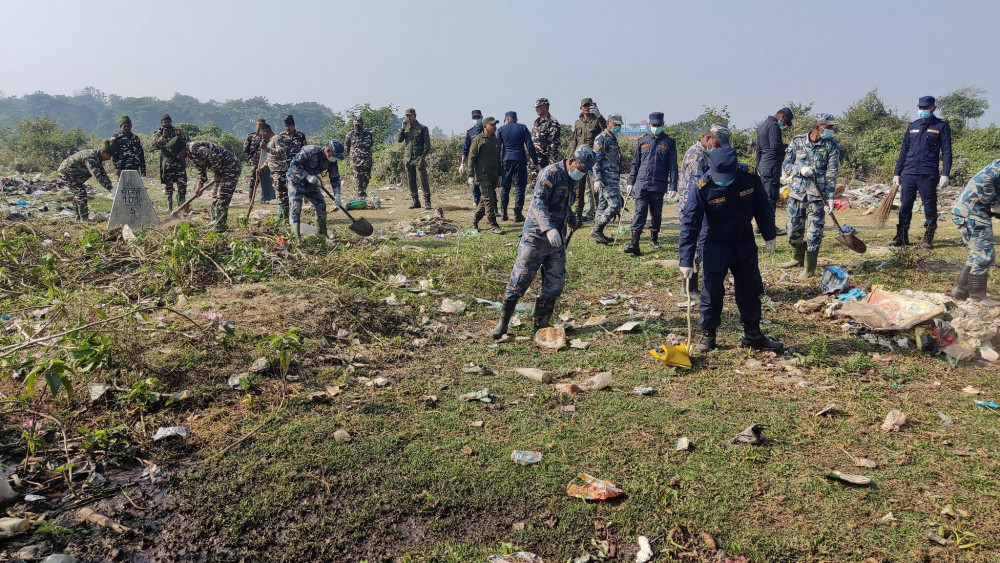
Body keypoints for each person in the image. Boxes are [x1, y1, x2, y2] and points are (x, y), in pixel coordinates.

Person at [680, 146, 783, 353]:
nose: (723, 180)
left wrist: (769, 233)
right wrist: (686, 259)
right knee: (711, 291)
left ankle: (753, 334)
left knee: (750, 289)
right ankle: (708, 336)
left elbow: (762, 205)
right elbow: (690, 222)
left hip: (743, 241)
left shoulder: (749, 176)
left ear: (736, 167)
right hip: (713, 243)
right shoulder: (703, 186)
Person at [490, 146, 597, 339]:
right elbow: (538, 203)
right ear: (572, 161)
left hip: (557, 240)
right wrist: (549, 228)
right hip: (537, 235)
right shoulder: (550, 173)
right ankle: (503, 324)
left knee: (555, 282)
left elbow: (564, 204)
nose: (582, 174)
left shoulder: (572, 179)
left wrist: (571, 220)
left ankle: (541, 324)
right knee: (520, 279)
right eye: (581, 169)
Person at [779, 113, 840, 279]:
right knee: (792, 231)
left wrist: (830, 198)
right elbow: (786, 164)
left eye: (832, 127)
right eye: (828, 127)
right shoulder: (797, 141)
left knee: (814, 233)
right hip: (797, 194)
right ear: (817, 127)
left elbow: (831, 173)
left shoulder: (831, 144)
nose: (831, 130)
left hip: (817, 197)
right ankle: (797, 257)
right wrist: (800, 169)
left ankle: (809, 267)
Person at [890, 95, 953, 250]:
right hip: (909, 172)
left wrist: (945, 173)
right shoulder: (912, 126)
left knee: (929, 206)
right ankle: (902, 236)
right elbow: (904, 151)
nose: (922, 110)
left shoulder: (941, 126)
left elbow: (946, 151)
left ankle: (928, 237)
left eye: (925, 108)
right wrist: (897, 173)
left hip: (928, 172)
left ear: (933, 108)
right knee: (905, 206)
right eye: (920, 108)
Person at [676, 123, 726, 301]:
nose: (718, 147)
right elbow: (695, 189)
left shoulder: (703, 153)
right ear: (708, 139)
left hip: (698, 209)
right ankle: (689, 288)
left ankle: (694, 285)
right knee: (695, 247)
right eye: (717, 143)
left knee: (700, 246)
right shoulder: (697, 156)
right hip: (693, 210)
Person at [624, 112, 678, 255]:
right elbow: (635, 163)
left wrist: (673, 186)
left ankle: (654, 239)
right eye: (653, 125)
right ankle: (634, 243)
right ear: (649, 125)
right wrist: (630, 182)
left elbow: (673, 166)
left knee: (656, 214)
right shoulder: (642, 140)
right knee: (639, 212)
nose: (656, 128)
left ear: (663, 124)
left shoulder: (669, 142)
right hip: (642, 183)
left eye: (658, 125)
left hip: (658, 184)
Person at [165, 137, 241, 233]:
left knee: (222, 196)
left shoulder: (194, 148)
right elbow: (201, 171)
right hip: (222, 169)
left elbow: (213, 156)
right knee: (215, 195)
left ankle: (220, 225)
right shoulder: (191, 154)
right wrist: (199, 185)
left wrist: (217, 173)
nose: (178, 157)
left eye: (178, 154)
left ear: (182, 149)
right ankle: (215, 220)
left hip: (231, 166)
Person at [950, 159, 1000, 305]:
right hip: (972, 212)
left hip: (972, 212)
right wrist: (994, 203)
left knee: (977, 253)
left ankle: (961, 291)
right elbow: (983, 181)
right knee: (984, 253)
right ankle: (978, 297)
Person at [285, 140, 345, 240]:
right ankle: (296, 238)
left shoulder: (332, 161)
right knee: (296, 208)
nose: (335, 158)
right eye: (335, 155)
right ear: (328, 150)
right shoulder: (310, 151)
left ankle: (321, 235)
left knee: (321, 205)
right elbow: (294, 164)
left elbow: (335, 177)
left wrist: (337, 194)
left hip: (311, 183)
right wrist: (307, 176)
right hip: (295, 181)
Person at [57, 139, 116, 221]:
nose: (109, 158)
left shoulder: (97, 157)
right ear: (103, 152)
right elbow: (97, 175)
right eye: (109, 156)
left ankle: (78, 217)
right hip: (66, 174)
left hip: (74, 175)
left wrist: (111, 187)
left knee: (79, 193)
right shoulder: (90, 158)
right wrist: (110, 188)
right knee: (81, 194)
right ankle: (84, 219)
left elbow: (103, 173)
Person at [756, 107, 793, 233]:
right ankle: (769, 227)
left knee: (764, 197)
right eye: (786, 121)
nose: (784, 124)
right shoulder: (773, 126)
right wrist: (790, 146)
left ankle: (761, 226)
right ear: (782, 116)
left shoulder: (763, 125)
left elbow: (758, 149)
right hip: (771, 166)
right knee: (771, 197)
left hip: (764, 165)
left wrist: (759, 166)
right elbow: (776, 146)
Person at [497, 111, 539, 222]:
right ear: (516, 119)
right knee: (520, 187)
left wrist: (497, 164)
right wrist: (535, 162)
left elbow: (497, 148)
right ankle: (517, 213)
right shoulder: (523, 128)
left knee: (505, 187)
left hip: (506, 160)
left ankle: (504, 212)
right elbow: (530, 146)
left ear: (506, 119)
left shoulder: (501, 129)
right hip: (520, 159)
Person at [589, 112, 624, 245]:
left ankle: (598, 234)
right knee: (615, 205)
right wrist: (597, 178)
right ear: (608, 123)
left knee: (603, 206)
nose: (617, 127)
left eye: (619, 125)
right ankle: (597, 230)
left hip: (612, 177)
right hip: (605, 178)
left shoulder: (612, 137)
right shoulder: (602, 138)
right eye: (615, 124)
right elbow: (595, 160)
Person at [570, 97, 606, 222]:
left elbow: (606, 130)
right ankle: (578, 215)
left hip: (592, 160)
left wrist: (600, 116)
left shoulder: (596, 121)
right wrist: (571, 158)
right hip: (579, 160)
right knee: (579, 189)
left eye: (589, 106)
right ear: (581, 108)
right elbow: (574, 141)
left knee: (595, 188)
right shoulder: (577, 123)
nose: (587, 108)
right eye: (585, 106)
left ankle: (599, 214)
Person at [467, 117, 504, 235]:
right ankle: (493, 224)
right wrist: (470, 175)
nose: (494, 127)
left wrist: (499, 174)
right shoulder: (478, 140)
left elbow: (498, 159)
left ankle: (474, 221)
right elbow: (471, 158)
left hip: (493, 176)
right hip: (483, 176)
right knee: (489, 200)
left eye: (495, 125)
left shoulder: (496, 141)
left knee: (484, 201)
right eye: (492, 125)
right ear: (485, 126)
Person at [151, 114, 190, 211]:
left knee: (182, 184)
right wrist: (163, 137)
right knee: (168, 185)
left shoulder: (176, 131)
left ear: (171, 122)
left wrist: (180, 135)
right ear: (161, 123)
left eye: (168, 122)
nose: (167, 124)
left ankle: (181, 205)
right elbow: (155, 145)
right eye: (165, 122)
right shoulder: (158, 133)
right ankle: (169, 206)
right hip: (167, 162)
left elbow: (188, 141)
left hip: (179, 161)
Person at [396, 108, 432, 209]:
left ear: (415, 116)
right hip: (408, 159)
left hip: (418, 158)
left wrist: (422, 157)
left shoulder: (422, 128)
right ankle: (415, 201)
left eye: (410, 115)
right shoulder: (406, 129)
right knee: (411, 181)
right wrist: (402, 128)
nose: (409, 117)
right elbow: (399, 140)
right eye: (407, 116)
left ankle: (427, 201)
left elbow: (428, 145)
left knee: (423, 180)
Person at [259, 123, 296, 221]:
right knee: (279, 194)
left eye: (261, 133)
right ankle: (282, 216)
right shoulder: (271, 141)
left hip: (280, 171)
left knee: (282, 195)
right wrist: (262, 168)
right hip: (274, 171)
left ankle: (285, 217)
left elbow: (281, 151)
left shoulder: (277, 139)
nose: (261, 136)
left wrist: (266, 148)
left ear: (265, 131)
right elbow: (270, 158)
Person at [530, 98, 560, 188]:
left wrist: (552, 164)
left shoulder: (552, 122)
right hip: (535, 161)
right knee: (535, 186)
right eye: (536, 107)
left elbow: (554, 144)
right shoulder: (536, 122)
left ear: (545, 107)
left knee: (546, 186)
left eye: (538, 107)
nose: (536, 109)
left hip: (546, 161)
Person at [243, 118, 274, 204]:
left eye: (262, 125)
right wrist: (250, 160)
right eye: (259, 124)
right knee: (253, 181)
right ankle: (251, 200)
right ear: (256, 125)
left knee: (265, 180)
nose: (260, 127)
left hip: (265, 162)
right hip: (254, 162)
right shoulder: (250, 136)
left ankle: (264, 199)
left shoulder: (268, 137)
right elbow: (246, 150)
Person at [343, 116, 374, 199]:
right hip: (356, 161)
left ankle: (363, 192)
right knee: (359, 178)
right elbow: (346, 147)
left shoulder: (368, 134)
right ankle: (361, 195)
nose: (356, 127)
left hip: (367, 160)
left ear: (362, 125)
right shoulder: (350, 134)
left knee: (366, 178)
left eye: (358, 125)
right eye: (355, 125)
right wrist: (353, 155)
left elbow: (371, 145)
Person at [459, 110, 484, 205]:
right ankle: (476, 199)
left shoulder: (486, 129)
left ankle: (486, 199)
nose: (476, 119)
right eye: (474, 118)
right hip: (474, 160)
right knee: (474, 181)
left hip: (485, 160)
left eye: (478, 117)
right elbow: (465, 149)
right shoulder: (470, 132)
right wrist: (462, 163)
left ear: (482, 117)